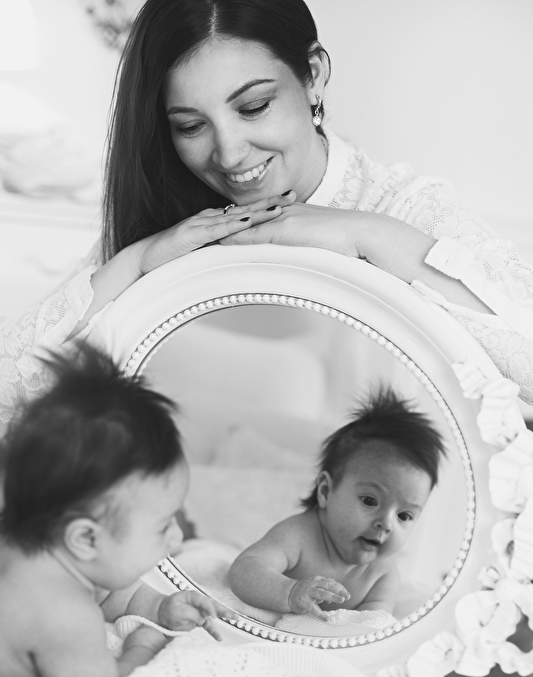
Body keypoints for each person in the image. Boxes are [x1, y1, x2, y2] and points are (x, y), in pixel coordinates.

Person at [1, 0, 532, 424]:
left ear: (313, 75)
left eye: (253, 107)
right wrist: (138, 262)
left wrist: (365, 235)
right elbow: (10, 394)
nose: (229, 154)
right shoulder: (172, 223)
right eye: (190, 126)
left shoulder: (403, 206)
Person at [0, 343, 232, 677]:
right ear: (85, 538)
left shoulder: (39, 554)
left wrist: (160, 608)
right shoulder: (66, 617)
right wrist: (144, 644)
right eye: (163, 525)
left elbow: (111, 594)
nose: (177, 537)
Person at [228, 389, 446, 618]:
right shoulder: (299, 535)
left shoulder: (382, 574)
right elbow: (245, 570)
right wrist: (290, 592)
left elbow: (371, 627)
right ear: (325, 491)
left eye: (404, 515)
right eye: (370, 501)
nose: (386, 523)